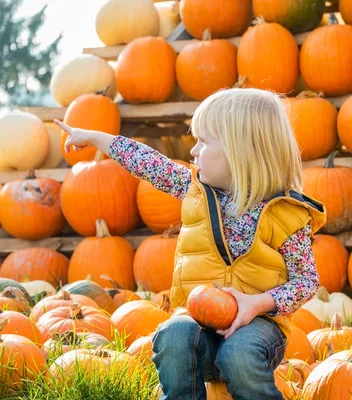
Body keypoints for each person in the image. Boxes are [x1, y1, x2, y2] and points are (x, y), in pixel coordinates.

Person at [55, 88, 327, 400]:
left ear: (242, 150)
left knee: (239, 352)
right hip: (199, 318)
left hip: (259, 325)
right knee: (173, 335)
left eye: (204, 141)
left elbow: (306, 282)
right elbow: (149, 163)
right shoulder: (195, 189)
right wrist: (95, 137)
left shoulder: (288, 215)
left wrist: (258, 303)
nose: (193, 151)